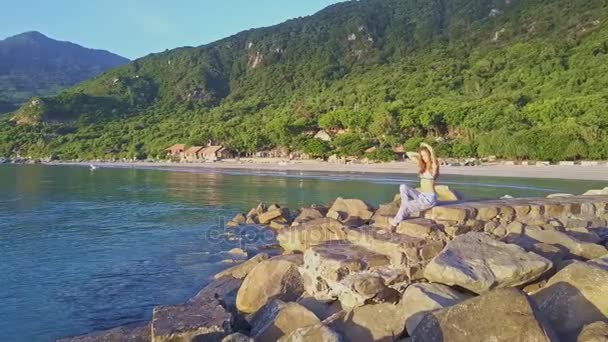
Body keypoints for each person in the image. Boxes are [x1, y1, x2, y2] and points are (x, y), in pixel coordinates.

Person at [390, 143, 439, 229]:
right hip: (421, 195)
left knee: (406, 206)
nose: (424, 158)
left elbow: (434, 159)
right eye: (422, 156)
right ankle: (404, 205)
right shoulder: (423, 166)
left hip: (429, 199)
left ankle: (394, 223)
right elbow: (409, 154)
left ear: (430, 155)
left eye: (425, 155)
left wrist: (429, 148)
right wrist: (420, 155)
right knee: (403, 186)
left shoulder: (433, 167)